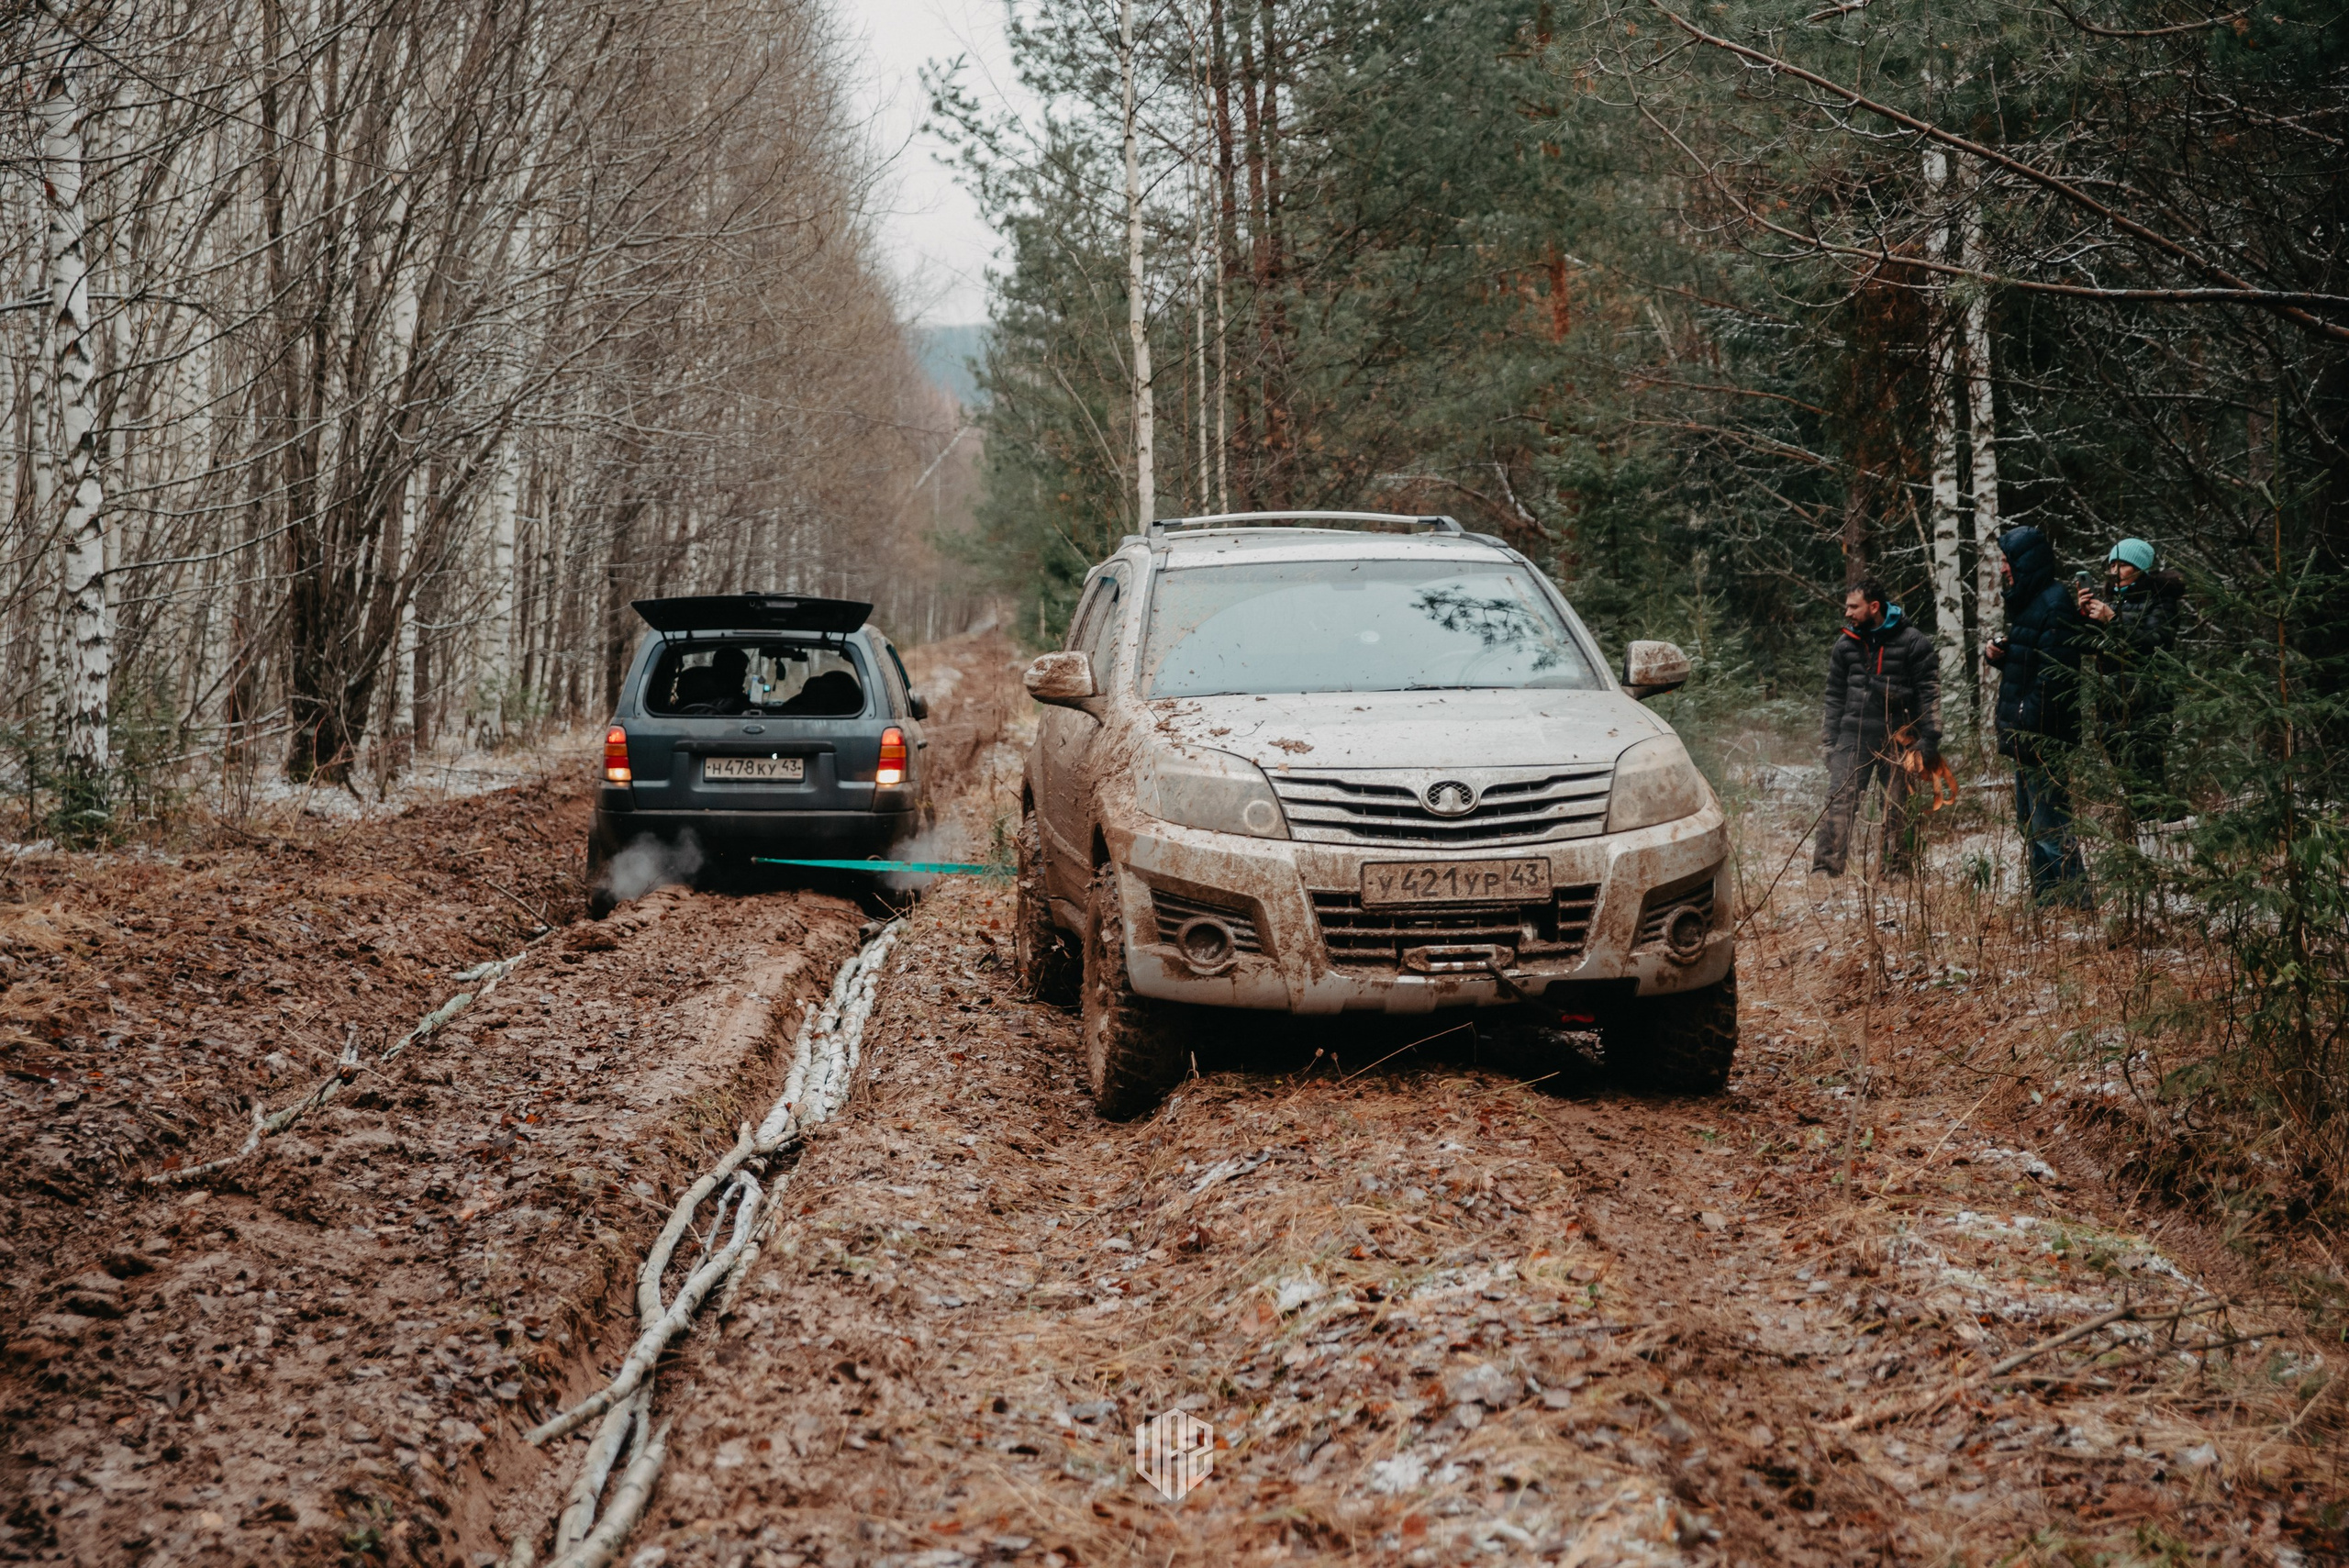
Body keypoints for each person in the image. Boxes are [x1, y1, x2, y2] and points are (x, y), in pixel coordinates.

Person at [1985, 525, 2091, 906]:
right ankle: (2047, 900)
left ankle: (2075, 901)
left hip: (2043, 735)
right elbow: (2029, 661)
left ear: (2024, 562)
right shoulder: (2030, 602)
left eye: (2006, 561)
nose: (2002, 569)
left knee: (2051, 823)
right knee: (2030, 822)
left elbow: (2055, 676)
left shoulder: (2054, 603)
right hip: (2025, 732)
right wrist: (1998, 654)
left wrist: (2029, 722)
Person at [1813, 576, 1941, 878]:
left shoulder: (1913, 642)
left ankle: (1896, 871)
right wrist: (1829, 743)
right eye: (1847, 607)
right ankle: (1824, 870)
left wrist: (1929, 740)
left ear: (1874, 606)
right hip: (1852, 737)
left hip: (1899, 739)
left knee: (1898, 806)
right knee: (1839, 801)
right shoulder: (1845, 645)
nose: (1847, 613)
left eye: (1853, 607)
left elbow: (1929, 693)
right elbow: (1834, 696)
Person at [2078, 537, 2185, 823]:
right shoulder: (2110, 600)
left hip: (2147, 700)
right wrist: (2085, 617)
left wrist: (2113, 620)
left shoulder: (2162, 599)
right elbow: (2087, 645)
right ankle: (2148, 842)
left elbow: (2153, 641)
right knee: (2127, 778)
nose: (2114, 571)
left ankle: (2165, 838)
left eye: (2122, 565)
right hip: (2112, 702)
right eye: (2111, 564)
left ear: (2141, 569)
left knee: (2147, 778)